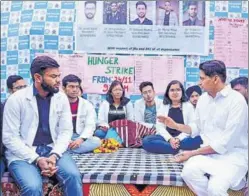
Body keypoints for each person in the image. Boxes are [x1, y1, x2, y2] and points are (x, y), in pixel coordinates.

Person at [158, 60, 248, 196]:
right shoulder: (204, 99)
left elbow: (225, 143)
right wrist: (176, 126)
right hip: (210, 156)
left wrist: (192, 153)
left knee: (215, 188)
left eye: (202, 78)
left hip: (232, 157)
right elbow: (196, 128)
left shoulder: (236, 101)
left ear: (215, 79)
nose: (199, 83)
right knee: (188, 172)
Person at [2, 56, 83, 196]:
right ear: (38, 77)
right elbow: (9, 138)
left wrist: (54, 155)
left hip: (52, 149)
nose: (58, 80)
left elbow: (66, 131)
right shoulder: (16, 100)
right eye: (53, 76)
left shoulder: (61, 97)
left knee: (73, 176)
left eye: (59, 75)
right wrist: (36, 159)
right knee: (32, 187)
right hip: (23, 154)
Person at [143, 80, 202, 154]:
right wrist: (170, 139)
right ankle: (175, 148)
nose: (175, 92)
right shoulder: (163, 106)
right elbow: (159, 127)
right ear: (168, 93)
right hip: (166, 138)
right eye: (172, 90)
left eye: (178, 90)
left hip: (183, 138)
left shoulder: (188, 106)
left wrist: (178, 138)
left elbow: (191, 127)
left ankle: (171, 147)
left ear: (182, 92)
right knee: (146, 141)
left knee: (200, 139)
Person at [62, 74, 101, 154]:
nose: (75, 90)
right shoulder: (58, 104)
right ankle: (67, 148)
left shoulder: (87, 104)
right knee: (52, 142)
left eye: (77, 87)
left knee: (97, 141)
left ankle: (65, 150)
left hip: (79, 137)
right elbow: (54, 126)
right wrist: (66, 140)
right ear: (64, 88)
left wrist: (81, 139)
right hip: (63, 137)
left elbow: (90, 125)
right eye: (71, 86)